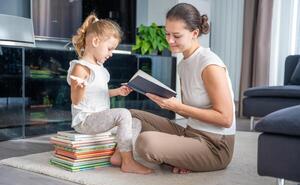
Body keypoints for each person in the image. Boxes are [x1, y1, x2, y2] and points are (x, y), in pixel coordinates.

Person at [130, 3, 236, 174]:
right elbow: (191, 112)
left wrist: (176, 107)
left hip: (215, 146)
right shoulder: (184, 63)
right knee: (132, 115)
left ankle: (182, 156)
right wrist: (163, 101)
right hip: (190, 133)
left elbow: (225, 119)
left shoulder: (210, 65)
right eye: (167, 34)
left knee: (146, 142)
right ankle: (179, 156)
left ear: (195, 33)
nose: (170, 40)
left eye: (177, 36)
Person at [67, 13, 152, 174]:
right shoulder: (81, 67)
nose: (111, 53)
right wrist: (80, 87)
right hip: (85, 121)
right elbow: (76, 100)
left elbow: (100, 93)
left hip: (100, 118)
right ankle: (128, 161)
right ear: (95, 41)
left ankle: (119, 155)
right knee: (123, 114)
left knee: (136, 123)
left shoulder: (100, 69)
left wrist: (118, 91)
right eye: (110, 48)